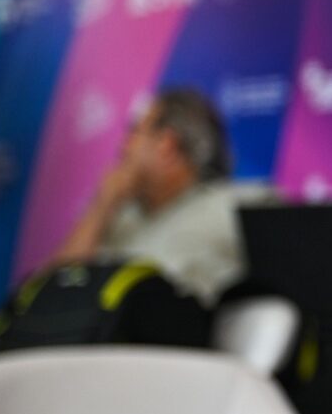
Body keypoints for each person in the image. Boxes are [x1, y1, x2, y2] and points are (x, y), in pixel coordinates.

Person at [51, 85, 245, 305]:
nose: (124, 147)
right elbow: (54, 294)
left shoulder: (232, 209)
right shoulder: (120, 219)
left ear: (167, 145)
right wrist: (101, 206)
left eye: (134, 132)